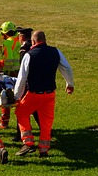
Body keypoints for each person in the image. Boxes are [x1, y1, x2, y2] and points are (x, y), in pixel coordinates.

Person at [14, 30, 74, 158]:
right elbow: (67, 68)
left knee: (21, 113)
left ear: (33, 41)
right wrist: (69, 84)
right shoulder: (55, 51)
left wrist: (17, 96)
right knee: (46, 122)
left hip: (33, 94)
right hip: (49, 94)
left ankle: (28, 142)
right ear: (45, 40)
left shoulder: (29, 55)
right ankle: (44, 149)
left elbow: (22, 78)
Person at [0, 21, 22, 129]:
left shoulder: (7, 43)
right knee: (20, 96)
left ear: (4, 33)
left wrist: (2, 68)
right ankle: (22, 122)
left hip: (9, 72)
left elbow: (9, 59)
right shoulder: (19, 40)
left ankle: (4, 122)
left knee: (5, 96)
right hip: (21, 71)